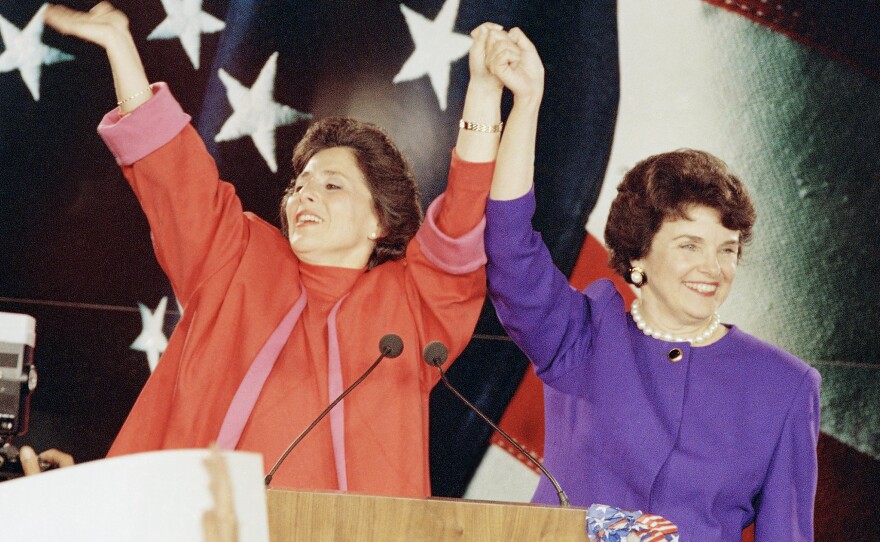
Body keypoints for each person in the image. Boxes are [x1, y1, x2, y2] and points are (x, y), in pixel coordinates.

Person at [42, 2, 519, 498]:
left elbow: (462, 221)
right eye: (299, 185)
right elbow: (173, 171)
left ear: (379, 220)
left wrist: (484, 91)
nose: (304, 195)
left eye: (332, 186)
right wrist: (121, 46)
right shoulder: (240, 257)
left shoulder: (411, 305)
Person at [481, 28, 822, 541]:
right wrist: (526, 102)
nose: (713, 266)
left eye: (726, 248)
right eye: (689, 245)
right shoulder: (585, 337)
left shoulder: (785, 386)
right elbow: (510, 247)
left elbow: (786, 535)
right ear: (639, 252)